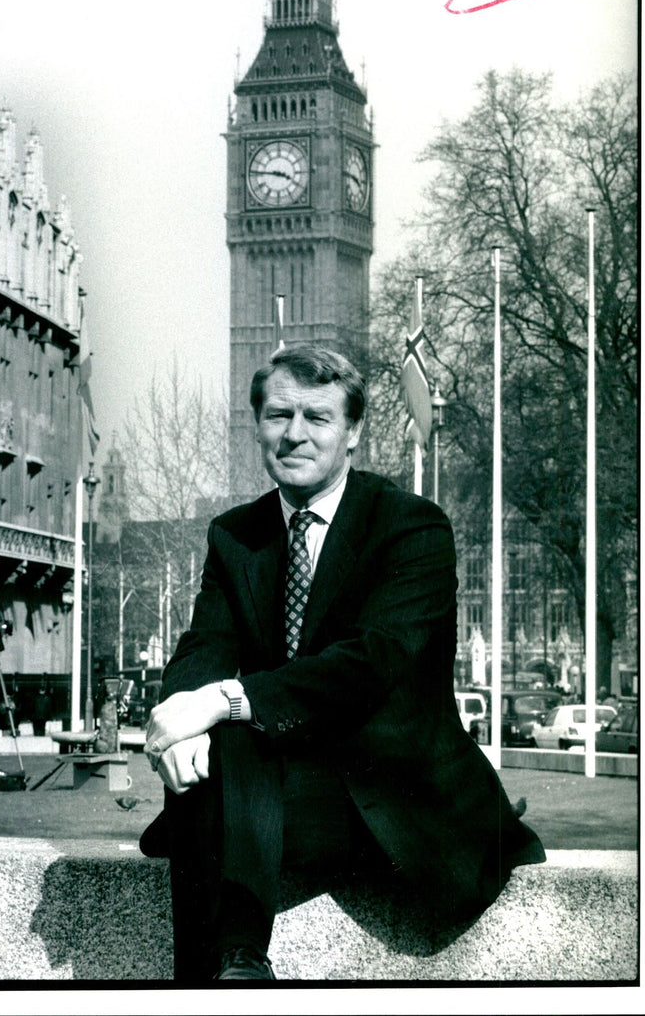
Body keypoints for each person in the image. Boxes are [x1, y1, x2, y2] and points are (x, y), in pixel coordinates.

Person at [140, 344, 544, 982]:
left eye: (317, 417)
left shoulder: (411, 527)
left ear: (352, 432)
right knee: (228, 739)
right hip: (278, 795)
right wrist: (181, 716)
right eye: (278, 415)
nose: (294, 434)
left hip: (393, 793)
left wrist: (218, 702)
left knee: (236, 720)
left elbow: (370, 663)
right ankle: (236, 968)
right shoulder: (235, 534)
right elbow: (205, 646)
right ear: (257, 426)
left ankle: (218, 974)